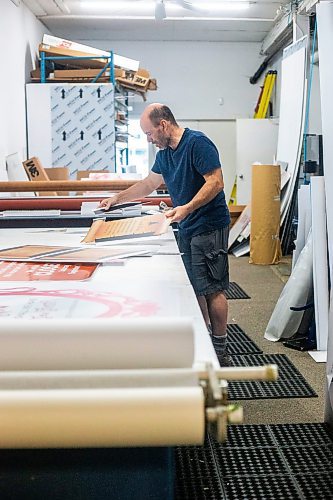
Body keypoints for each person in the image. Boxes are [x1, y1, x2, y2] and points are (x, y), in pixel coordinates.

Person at [99, 103, 231, 364]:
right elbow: (149, 184)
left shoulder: (197, 144)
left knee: (213, 289)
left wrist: (187, 207)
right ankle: (204, 345)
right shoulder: (164, 154)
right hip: (186, 224)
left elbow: (216, 182)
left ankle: (221, 350)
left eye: (149, 133)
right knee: (195, 287)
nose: (148, 140)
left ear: (163, 125)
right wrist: (117, 199)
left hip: (208, 224)